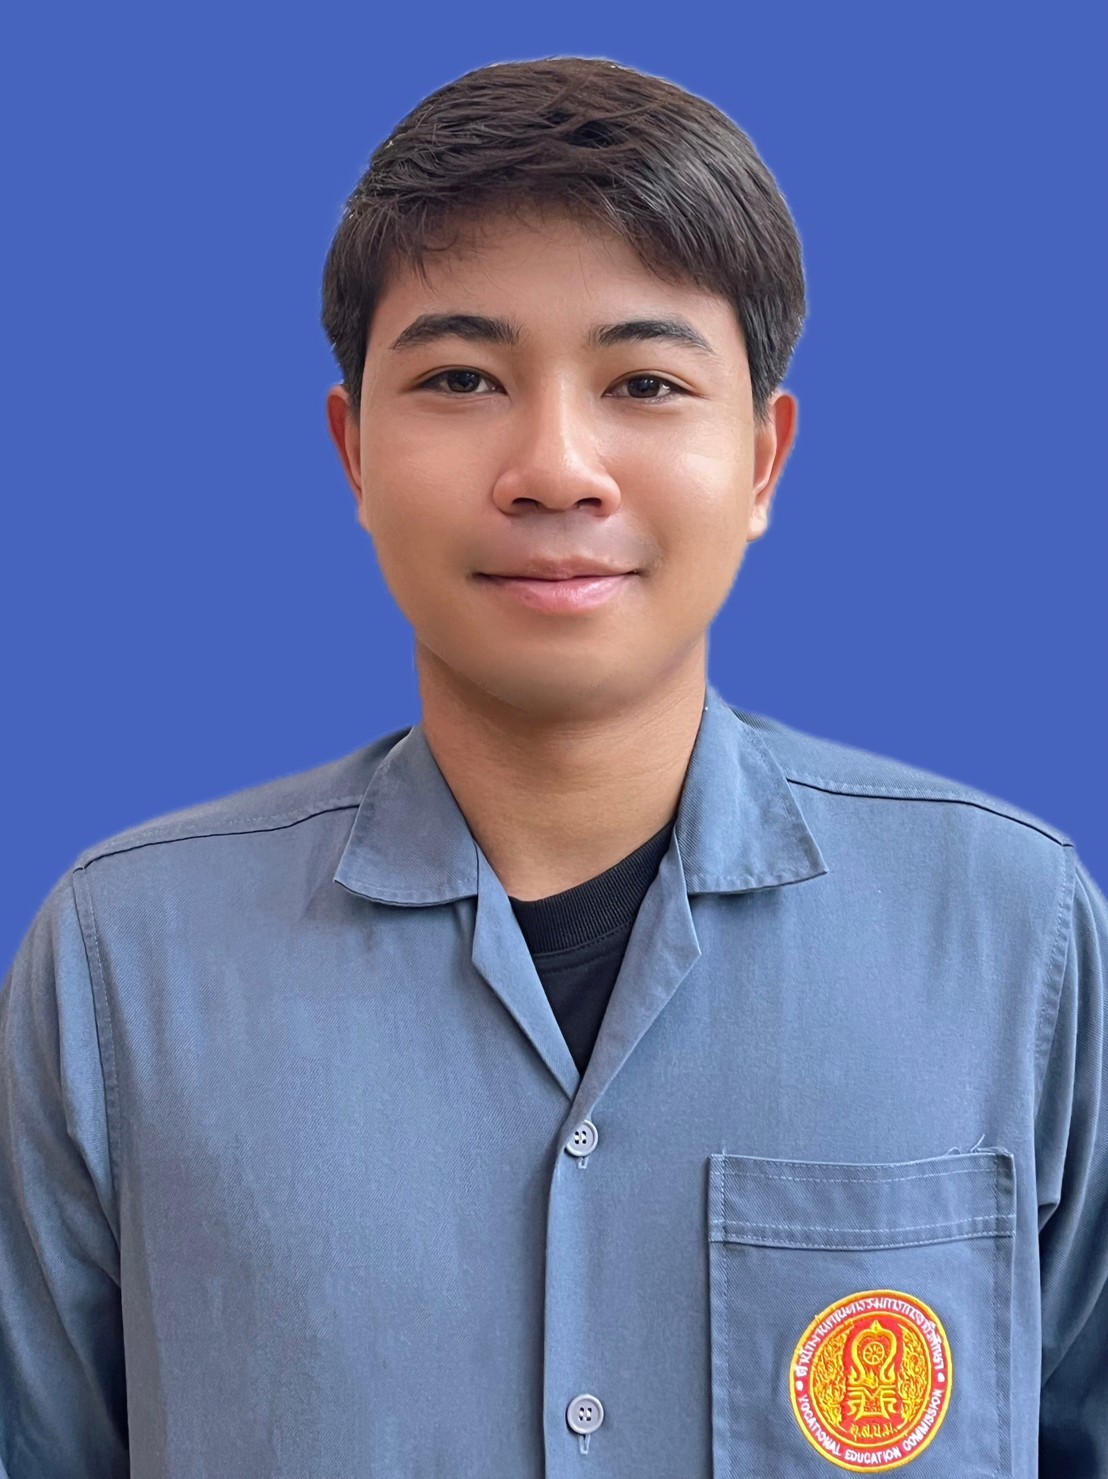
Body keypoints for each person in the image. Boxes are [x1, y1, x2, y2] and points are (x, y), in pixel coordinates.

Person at [0, 54, 1103, 1479]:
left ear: (763, 460)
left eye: (645, 380)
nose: (557, 467)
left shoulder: (1014, 934)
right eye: (462, 378)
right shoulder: (124, 964)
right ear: (353, 450)